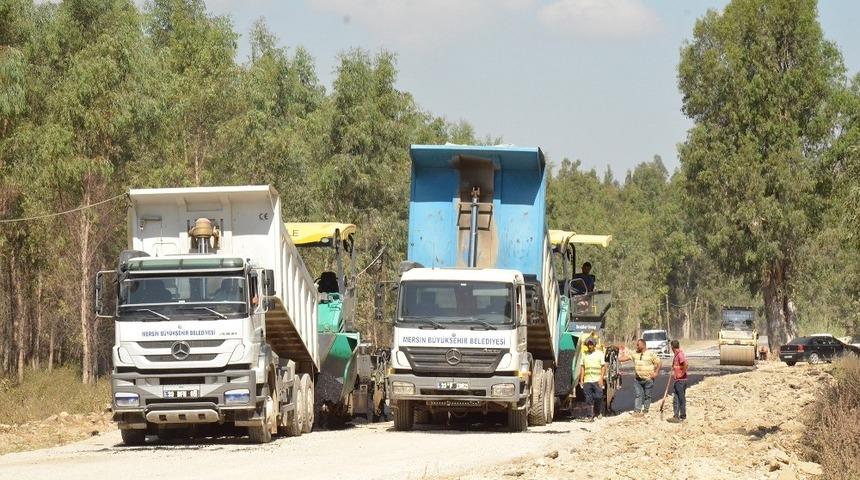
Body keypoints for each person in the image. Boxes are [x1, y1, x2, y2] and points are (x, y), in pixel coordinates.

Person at [618, 338, 661, 416]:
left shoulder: (651, 354)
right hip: (638, 379)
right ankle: (637, 410)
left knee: (647, 395)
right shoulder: (635, 353)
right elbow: (625, 358)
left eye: (638, 345)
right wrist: (616, 358)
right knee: (638, 395)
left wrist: (656, 373)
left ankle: (646, 410)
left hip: (648, 379)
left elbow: (659, 363)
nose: (636, 346)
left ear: (643, 345)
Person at [579, 338, 606, 421]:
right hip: (587, 380)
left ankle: (597, 412)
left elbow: (603, 367)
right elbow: (582, 367)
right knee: (588, 398)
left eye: (591, 344)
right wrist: (581, 379)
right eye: (588, 344)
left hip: (597, 380)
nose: (589, 346)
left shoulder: (599, 354)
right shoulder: (584, 355)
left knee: (598, 396)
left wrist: (601, 378)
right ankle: (590, 415)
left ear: (594, 345)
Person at [668, 339, 688, 423]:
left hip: (681, 381)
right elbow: (676, 365)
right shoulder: (676, 355)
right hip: (678, 380)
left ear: (672, 347)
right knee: (676, 398)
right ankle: (676, 416)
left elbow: (686, 364)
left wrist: (681, 374)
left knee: (680, 398)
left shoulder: (680, 354)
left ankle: (682, 416)